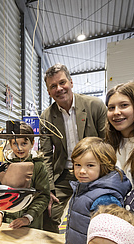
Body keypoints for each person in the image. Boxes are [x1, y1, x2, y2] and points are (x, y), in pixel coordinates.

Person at [54, 137, 131, 244]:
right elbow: (82, 226)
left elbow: (106, 243)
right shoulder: (85, 187)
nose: (82, 171)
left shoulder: (104, 198)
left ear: (103, 167)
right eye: (77, 165)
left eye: (90, 165)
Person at [40, 63, 107, 233]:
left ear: (71, 82)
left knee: (97, 215)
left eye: (62, 82)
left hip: (94, 172)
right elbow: (46, 155)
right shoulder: (46, 117)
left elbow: (108, 147)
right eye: (53, 86)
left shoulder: (95, 106)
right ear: (48, 92)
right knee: (48, 213)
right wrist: (48, 188)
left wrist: (104, 179)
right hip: (64, 174)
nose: (59, 88)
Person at [0, 122, 50, 229]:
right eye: (15, 144)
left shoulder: (39, 166)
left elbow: (43, 196)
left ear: (32, 143)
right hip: (7, 223)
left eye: (24, 143)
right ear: (10, 144)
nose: (19, 148)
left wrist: (28, 217)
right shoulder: (5, 166)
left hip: (31, 224)